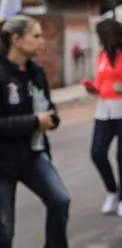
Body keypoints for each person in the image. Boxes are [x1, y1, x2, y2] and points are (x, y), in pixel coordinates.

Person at [0, 15, 70, 248]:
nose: (43, 42)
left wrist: (52, 118)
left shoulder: (36, 72)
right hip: (3, 162)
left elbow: (47, 107)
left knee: (60, 200)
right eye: (36, 36)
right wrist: (32, 122)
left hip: (33, 154)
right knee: (4, 232)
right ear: (16, 39)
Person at [82, 18, 122, 218]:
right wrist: (92, 88)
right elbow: (100, 84)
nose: (98, 39)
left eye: (99, 35)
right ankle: (112, 191)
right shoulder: (102, 55)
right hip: (104, 111)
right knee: (97, 152)